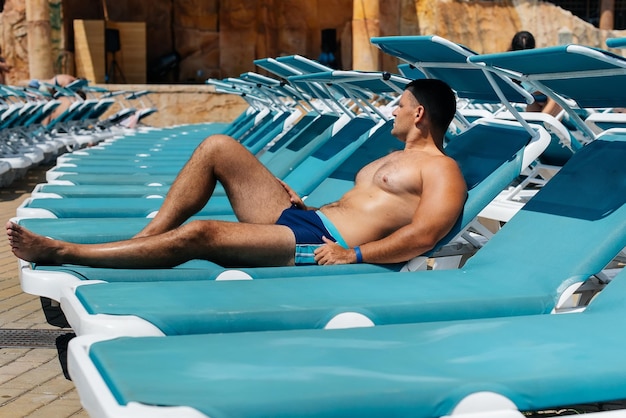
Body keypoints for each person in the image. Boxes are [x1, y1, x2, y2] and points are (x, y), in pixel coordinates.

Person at [6, 78, 467, 269]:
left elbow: (425, 234)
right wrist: (302, 202)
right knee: (218, 147)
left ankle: (69, 252)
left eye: (400, 105)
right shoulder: (388, 157)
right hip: (306, 219)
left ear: (420, 113)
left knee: (203, 232)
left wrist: (357, 255)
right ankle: (149, 236)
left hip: (324, 247)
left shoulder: (442, 170)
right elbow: (363, 205)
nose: (394, 111)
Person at [509, 31, 562, 117]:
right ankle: (540, 124)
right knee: (555, 97)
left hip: (535, 98)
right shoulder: (539, 63)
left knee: (534, 124)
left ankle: (538, 124)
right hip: (542, 98)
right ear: (533, 47)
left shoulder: (508, 65)